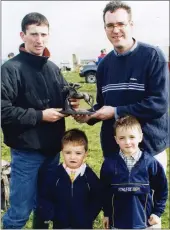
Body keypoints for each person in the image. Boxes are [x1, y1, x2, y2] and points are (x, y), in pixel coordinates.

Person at [1, 12, 78, 229]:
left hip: (52, 152)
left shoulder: (53, 68)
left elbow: (64, 100)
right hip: (26, 154)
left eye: (43, 34)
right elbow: (3, 110)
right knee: (19, 213)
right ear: (22, 35)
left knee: (45, 210)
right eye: (34, 34)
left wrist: (71, 105)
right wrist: (40, 116)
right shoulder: (10, 69)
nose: (39, 40)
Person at [74, 1, 169, 173]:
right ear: (105, 29)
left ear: (131, 25)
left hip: (149, 149)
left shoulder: (153, 56)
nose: (115, 30)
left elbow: (159, 104)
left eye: (120, 24)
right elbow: (104, 104)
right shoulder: (104, 66)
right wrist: (89, 116)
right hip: (114, 151)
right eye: (110, 25)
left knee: (150, 199)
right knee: (116, 200)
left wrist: (116, 111)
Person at [100, 115, 168, 229]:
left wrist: (157, 213)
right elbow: (104, 191)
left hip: (145, 223)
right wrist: (107, 213)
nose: (127, 142)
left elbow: (162, 190)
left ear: (140, 137)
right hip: (117, 224)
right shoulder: (109, 164)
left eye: (132, 137)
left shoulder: (150, 163)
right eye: (122, 138)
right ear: (116, 139)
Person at [37, 128, 102, 229]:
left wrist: (89, 216)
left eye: (78, 153)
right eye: (68, 152)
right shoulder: (55, 175)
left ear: (85, 154)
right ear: (62, 152)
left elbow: (98, 197)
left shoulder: (89, 176)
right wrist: (51, 213)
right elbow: (45, 195)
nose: (72, 157)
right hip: (60, 225)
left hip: (83, 225)